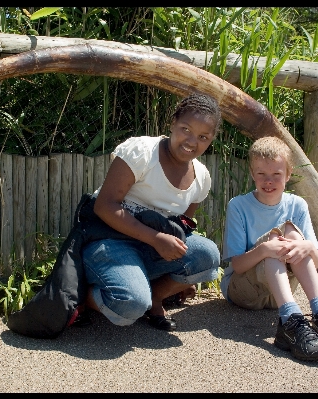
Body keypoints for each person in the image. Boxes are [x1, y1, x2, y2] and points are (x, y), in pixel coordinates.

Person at [80, 93, 223, 331]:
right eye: (185, 129)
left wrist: (177, 280)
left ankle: (155, 297)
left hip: (149, 248)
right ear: (172, 123)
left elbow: (182, 226)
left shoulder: (201, 177)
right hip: (109, 240)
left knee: (207, 255)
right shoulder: (143, 152)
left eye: (202, 137)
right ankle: (83, 297)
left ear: (211, 140)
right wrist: (156, 238)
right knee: (130, 304)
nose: (191, 141)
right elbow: (104, 206)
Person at [220, 136, 318, 361]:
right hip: (243, 291)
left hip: (280, 295)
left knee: (293, 236)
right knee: (279, 238)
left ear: (288, 175)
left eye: (276, 174)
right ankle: (292, 322)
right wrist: (265, 249)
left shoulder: (297, 205)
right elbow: (238, 265)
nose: (268, 181)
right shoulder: (239, 206)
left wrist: (307, 246)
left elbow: (316, 262)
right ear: (252, 174)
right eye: (261, 174)